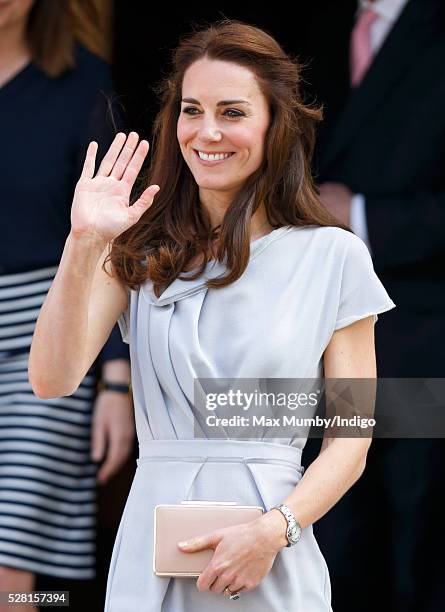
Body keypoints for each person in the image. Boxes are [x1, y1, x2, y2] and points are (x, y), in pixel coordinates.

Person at [29, 20, 395, 611]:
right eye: (192, 110)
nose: (207, 133)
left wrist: (273, 531)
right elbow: (51, 379)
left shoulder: (334, 255)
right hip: (152, 549)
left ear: (275, 123)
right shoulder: (139, 250)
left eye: (232, 112)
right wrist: (82, 243)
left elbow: (352, 439)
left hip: (270, 546)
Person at [301, 1, 445, 610]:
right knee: (331, 539)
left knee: (417, 539)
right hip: (310, 336)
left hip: (423, 337)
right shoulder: (316, 24)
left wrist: (357, 217)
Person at [0, 0, 134, 602]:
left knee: (11, 560)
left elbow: (106, 243)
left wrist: (114, 381)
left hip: (43, 339)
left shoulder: (84, 83)